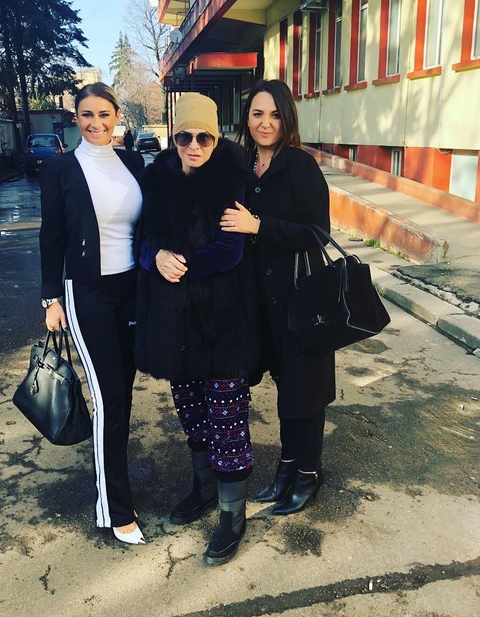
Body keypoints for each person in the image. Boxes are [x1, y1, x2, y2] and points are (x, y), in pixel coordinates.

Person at [135, 92, 259, 565]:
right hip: (176, 324)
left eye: (203, 137)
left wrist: (179, 263)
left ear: (215, 137)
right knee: (191, 413)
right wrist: (156, 257)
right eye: (184, 137)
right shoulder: (156, 179)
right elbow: (142, 241)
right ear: (174, 138)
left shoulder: (230, 180)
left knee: (227, 420)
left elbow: (229, 251)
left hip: (222, 323)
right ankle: (204, 488)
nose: (193, 146)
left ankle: (232, 514)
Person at [220, 79, 336, 515]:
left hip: (299, 297)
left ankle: (309, 472)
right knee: (286, 387)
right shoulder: (244, 166)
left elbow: (317, 233)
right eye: (257, 114)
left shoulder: (300, 165)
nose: (265, 123)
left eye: (274, 115)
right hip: (261, 301)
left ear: (287, 119)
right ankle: (287, 467)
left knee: (306, 389)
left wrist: (259, 227)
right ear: (246, 118)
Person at [39, 82, 146, 545]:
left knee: (123, 394)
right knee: (108, 400)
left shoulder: (133, 163)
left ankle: (116, 489)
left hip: (132, 290)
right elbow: (51, 236)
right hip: (88, 292)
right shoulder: (60, 168)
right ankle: (115, 508)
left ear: (117, 115)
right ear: (75, 118)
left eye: (104, 114)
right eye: (87, 114)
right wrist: (50, 299)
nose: (96, 123)